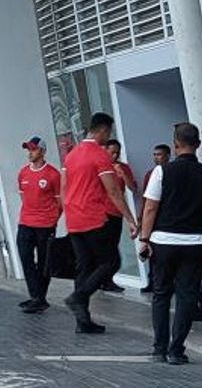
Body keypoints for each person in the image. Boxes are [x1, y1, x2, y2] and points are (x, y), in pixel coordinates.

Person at [139, 122, 202, 365]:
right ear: (198, 145)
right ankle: (177, 350)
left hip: (163, 240)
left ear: (175, 145)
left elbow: (151, 206)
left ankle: (159, 348)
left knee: (161, 294)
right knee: (187, 295)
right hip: (195, 242)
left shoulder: (162, 172)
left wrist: (145, 238)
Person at [61, 112, 138, 334]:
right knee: (111, 262)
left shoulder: (71, 155)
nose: (109, 137)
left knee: (84, 268)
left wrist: (67, 211)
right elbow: (113, 191)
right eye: (109, 132)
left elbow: (64, 187)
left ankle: (82, 321)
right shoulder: (99, 155)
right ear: (103, 130)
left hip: (74, 218)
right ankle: (79, 297)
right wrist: (130, 219)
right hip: (93, 216)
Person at [15, 136, 61, 314]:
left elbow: (60, 201)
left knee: (44, 262)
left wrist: (52, 219)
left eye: (33, 149)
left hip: (45, 224)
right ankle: (36, 295)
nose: (30, 153)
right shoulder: (23, 173)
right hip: (26, 222)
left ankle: (39, 297)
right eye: (28, 150)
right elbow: (23, 195)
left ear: (42, 151)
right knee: (25, 257)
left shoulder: (52, 174)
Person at [100, 139, 138, 293]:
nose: (114, 155)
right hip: (102, 212)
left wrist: (123, 174)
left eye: (117, 152)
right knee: (103, 247)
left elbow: (132, 188)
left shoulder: (123, 168)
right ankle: (104, 279)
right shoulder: (101, 167)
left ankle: (108, 278)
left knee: (112, 245)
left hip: (117, 212)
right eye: (111, 152)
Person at [140, 144, 172, 295]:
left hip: (165, 219)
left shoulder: (170, 172)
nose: (156, 158)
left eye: (159, 154)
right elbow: (147, 200)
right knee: (152, 253)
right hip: (154, 219)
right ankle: (152, 281)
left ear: (167, 156)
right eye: (154, 155)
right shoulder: (150, 174)